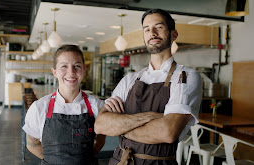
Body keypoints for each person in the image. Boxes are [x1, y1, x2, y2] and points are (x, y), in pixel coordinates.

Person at [94, 9, 202, 165]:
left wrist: (120, 127)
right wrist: (152, 116)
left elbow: (167, 132)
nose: (152, 33)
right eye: (147, 29)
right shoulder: (129, 79)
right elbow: (101, 125)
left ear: (173, 34)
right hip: (120, 161)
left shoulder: (185, 76)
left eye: (159, 27)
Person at [23, 45, 106, 165]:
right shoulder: (39, 107)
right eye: (64, 66)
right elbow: (32, 144)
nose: (71, 72)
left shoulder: (97, 106)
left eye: (77, 66)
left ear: (84, 70)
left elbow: (100, 140)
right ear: (54, 72)